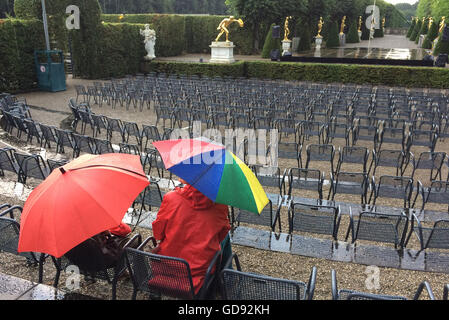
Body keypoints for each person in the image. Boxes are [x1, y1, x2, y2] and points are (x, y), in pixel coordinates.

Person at [151, 179, 231, 295]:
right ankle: (226, 279)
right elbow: (220, 237)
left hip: (166, 266)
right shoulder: (220, 206)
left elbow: (158, 233)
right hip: (199, 273)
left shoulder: (171, 198)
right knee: (224, 241)